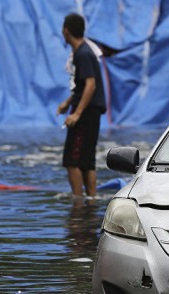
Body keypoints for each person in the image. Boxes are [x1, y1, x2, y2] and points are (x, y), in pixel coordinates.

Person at [56, 13, 106, 198]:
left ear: (66, 31)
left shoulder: (83, 54)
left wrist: (76, 113)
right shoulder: (84, 52)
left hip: (85, 114)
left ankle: (78, 202)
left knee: (72, 161)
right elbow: (82, 85)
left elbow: (91, 85)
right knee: (86, 161)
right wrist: (67, 103)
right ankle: (91, 201)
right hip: (90, 112)